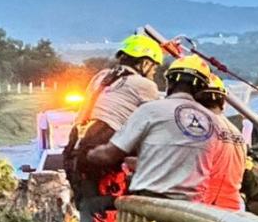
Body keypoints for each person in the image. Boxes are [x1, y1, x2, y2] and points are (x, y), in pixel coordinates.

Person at [64, 33, 164, 222]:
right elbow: (158, 118)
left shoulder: (103, 77)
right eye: (154, 66)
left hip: (77, 152)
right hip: (99, 156)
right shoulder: (142, 84)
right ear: (144, 63)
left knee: (90, 221)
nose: (154, 72)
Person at [85, 55, 217, 200]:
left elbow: (109, 154)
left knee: (94, 207)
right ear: (202, 89)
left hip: (151, 204)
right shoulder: (213, 122)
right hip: (194, 209)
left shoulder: (150, 110)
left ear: (170, 83)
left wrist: (87, 154)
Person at [194, 75, 246, 211]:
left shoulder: (200, 127)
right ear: (223, 101)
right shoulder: (236, 132)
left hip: (204, 206)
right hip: (231, 207)